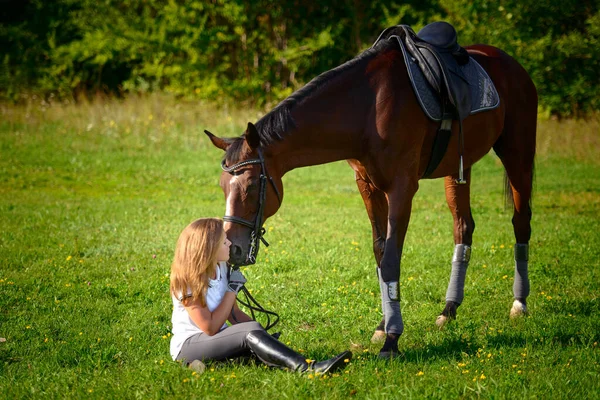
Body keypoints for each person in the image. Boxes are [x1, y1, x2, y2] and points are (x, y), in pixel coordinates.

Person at [169, 217, 352, 373]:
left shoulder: (221, 267)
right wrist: (232, 290)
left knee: (253, 332)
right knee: (249, 333)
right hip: (189, 345)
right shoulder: (187, 281)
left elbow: (233, 314)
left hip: (216, 337)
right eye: (224, 242)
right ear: (209, 248)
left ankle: (212, 364)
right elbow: (209, 327)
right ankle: (307, 369)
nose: (230, 244)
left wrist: (263, 337)